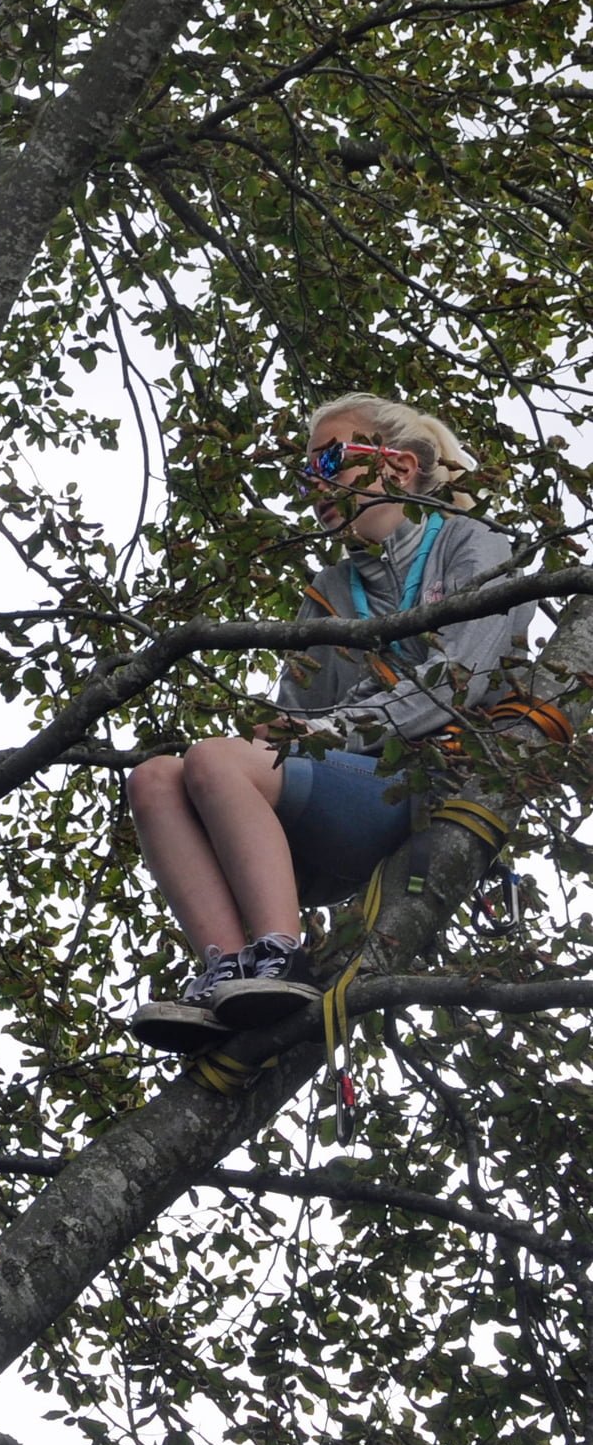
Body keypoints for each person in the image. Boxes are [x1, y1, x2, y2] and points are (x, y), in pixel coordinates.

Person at [127, 394, 534, 1053]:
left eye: (330, 461)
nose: (314, 484)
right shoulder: (332, 588)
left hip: (421, 787)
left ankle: (280, 956)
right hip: (336, 802)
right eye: (304, 474)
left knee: (215, 759)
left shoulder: (474, 544)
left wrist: (317, 734)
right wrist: (282, 731)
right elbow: (301, 712)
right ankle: (227, 971)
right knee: (154, 778)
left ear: (398, 465)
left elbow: (456, 684)